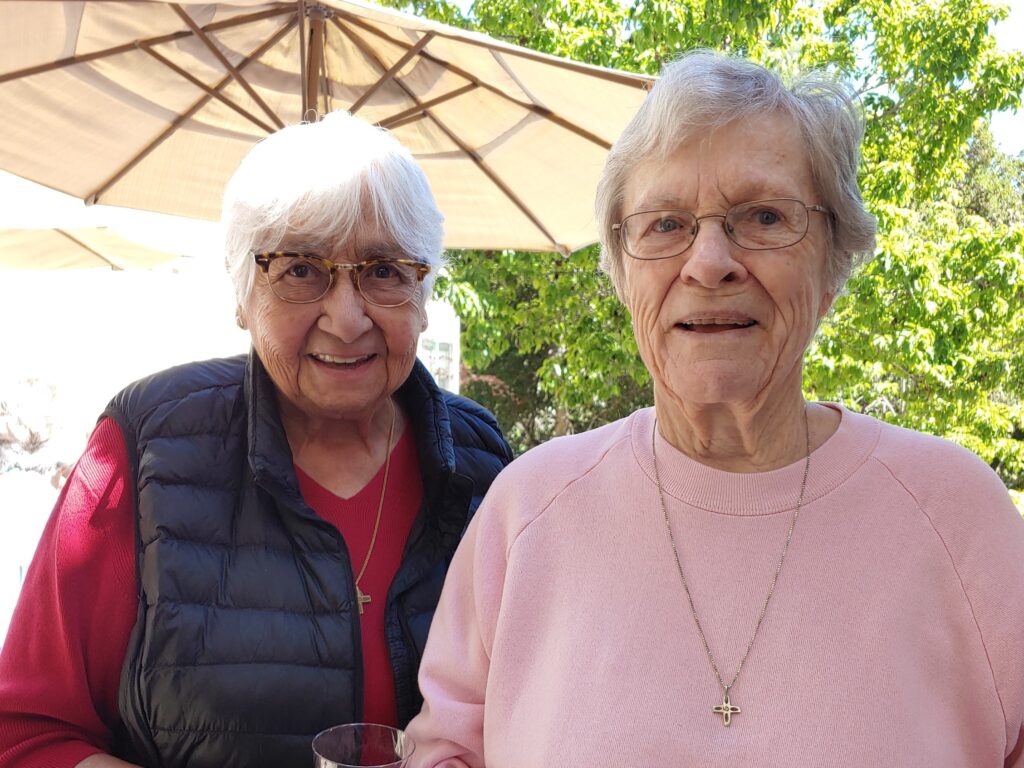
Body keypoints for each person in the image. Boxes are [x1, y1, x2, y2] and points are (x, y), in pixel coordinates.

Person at [405, 50, 1024, 766]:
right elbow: (446, 749)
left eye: (762, 215)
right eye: (665, 224)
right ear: (623, 272)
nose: (708, 263)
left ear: (833, 261)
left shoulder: (958, 517)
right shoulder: (527, 513)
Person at [0, 111, 513, 768]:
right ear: (243, 295)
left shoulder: (485, 467)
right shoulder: (146, 445)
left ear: (423, 290)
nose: (347, 317)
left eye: (384, 269)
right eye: (301, 269)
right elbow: (26, 728)